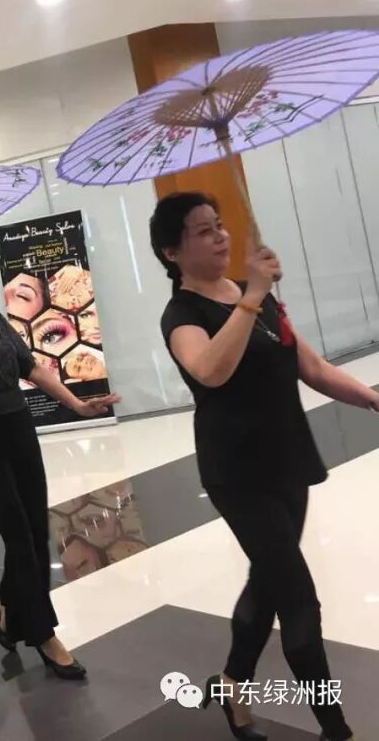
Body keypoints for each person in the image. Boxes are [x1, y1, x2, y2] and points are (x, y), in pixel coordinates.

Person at [151, 191, 378, 741]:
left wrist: (372, 398)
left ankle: (232, 685)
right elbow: (210, 370)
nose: (220, 236)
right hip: (238, 471)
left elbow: (312, 366)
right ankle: (336, 728)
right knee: (298, 599)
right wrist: (253, 296)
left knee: (269, 581)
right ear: (172, 253)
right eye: (203, 231)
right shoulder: (183, 314)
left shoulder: (255, 295)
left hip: (287, 456)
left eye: (219, 225)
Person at [0, 247, 117, 680]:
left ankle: (8, 601)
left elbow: (32, 369)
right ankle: (45, 636)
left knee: (33, 533)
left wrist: (76, 404)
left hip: (20, 432)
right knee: (19, 539)